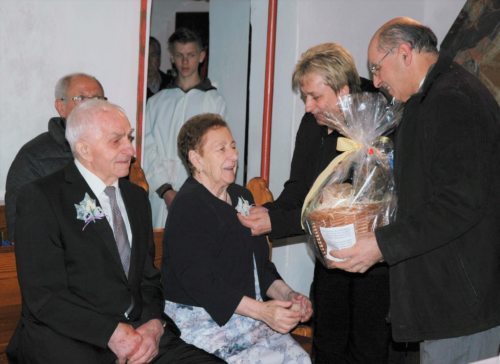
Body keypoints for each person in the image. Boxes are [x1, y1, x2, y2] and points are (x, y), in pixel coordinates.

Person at [329, 17, 500, 364]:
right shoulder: (428, 98)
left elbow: (458, 203)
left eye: (377, 67)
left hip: (459, 302)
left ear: (405, 53)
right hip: (443, 298)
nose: (376, 80)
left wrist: (382, 244)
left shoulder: (453, 99)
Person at [7, 100, 224, 363]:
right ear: (84, 149)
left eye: (130, 138)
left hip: (138, 332)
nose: (130, 150)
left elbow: (148, 280)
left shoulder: (135, 198)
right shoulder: (43, 197)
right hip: (70, 339)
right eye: (116, 141)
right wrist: (110, 333)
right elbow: (45, 297)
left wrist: (154, 326)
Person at [238, 43, 391, 363]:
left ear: (344, 90)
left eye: (315, 97)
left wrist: (277, 223)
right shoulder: (313, 123)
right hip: (329, 261)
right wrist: (269, 212)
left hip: (375, 265)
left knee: (369, 352)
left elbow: (352, 210)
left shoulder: (379, 120)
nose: (308, 106)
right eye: (305, 96)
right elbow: (299, 189)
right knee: (328, 348)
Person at [162, 113, 313, 363]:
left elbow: (260, 268)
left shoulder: (242, 197)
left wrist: (288, 296)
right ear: (196, 159)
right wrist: (264, 311)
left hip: (247, 317)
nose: (233, 156)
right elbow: (202, 284)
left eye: (233, 146)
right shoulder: (188, 206)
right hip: (204, 322)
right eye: (221, 149)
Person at [5, 73, 106, 241]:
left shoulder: (112, 151)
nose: (90, 107)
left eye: (97, 99)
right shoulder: (34, 158)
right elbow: (22, 232)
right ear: (61, 107)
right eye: (80, 98)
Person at [143, 27, 226, 229]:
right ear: (171, 57)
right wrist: (166, 190)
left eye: (191, 55)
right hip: (160, 194)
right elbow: (146, 147)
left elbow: (215, 151)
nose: (185, 62)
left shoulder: (213, 101)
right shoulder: (156, 102)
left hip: (199, 193)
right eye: (179, 55)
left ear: (202, 56)